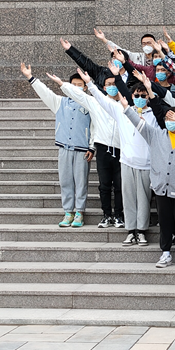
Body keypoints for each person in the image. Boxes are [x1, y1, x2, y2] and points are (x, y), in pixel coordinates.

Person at [79, 69, 157, 247]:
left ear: (147, 97)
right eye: (136, 95)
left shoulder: (153, 115)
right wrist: (89, 83)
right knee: (128, 198)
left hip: (146, 164)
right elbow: (102, 100)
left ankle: (141, 231)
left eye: (143, 95)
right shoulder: (122, 111)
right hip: (127, 162)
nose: (140, 98)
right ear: (131, 96)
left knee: (143, 200)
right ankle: (130, 231)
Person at [122, 97, 175, 268]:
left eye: (173, 118)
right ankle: (165, 252)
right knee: (164, 221)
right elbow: (139, 124)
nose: (169, 121)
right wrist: (127, 108)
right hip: (161, 187)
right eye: (166, 118)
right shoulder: (157, 135)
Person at [21, 63, 93, 228]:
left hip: (82, 150)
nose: (76, 88)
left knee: (81, 182)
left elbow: (95, 127)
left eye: (79, 85)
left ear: (85, 88)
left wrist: (92, 146)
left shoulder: (89, 103)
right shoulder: (60, 102)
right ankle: (68, 212)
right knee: (65, 180)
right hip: (64, 148)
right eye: (73, 85)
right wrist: (30, 77)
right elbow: (45, 92)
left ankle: (79, 212)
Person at [54, 67, 124, 229]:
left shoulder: (125, 104)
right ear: (104, 87)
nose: (112, 87)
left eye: (114, 84)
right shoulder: (96, 102)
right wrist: (62, 84)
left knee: (119, 185)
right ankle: (106, 215)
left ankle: (119, 215)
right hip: (103, 148)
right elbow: (82, 96)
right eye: (108, 84)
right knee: (104, 185)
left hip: (121, 149)